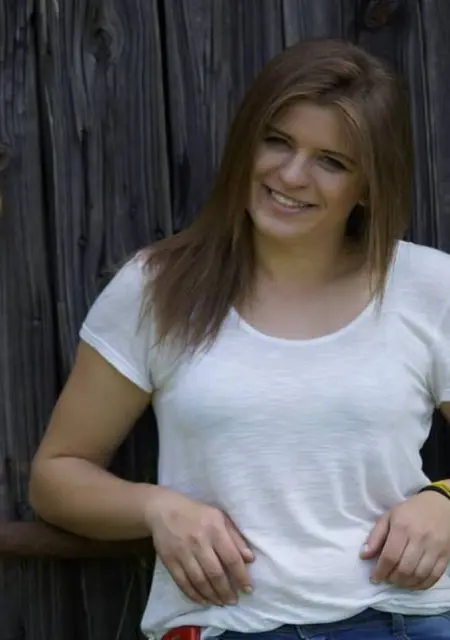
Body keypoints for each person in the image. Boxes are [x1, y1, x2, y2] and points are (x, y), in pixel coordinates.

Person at [29, 38, 450, 640]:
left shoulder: (429, 287)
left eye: (332, 161)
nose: (291, 175)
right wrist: (157, 508)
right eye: (277, 141)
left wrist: (444, 502)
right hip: (229, 623)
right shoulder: (157, 287)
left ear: (368, 186)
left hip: (407, 618)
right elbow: (56, 476)